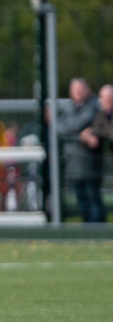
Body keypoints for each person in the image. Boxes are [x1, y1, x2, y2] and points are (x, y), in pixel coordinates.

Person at [56, 78, 103, 222]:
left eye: (80, 89)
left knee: (92, 197)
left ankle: (97, 230)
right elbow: (59, 128)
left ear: (86, 90)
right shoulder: (69, 107)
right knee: (81, 199)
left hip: (89, 162)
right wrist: (80, 134)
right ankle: (87, 229)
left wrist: (72, 130)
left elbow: (80, 123)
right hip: (73, 162)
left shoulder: (93, 105)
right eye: (75, 90)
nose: (78, 92)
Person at [78, 83, 113, 221]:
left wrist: (90, 132)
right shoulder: (99, 114)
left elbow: (107, 132)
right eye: (104, 97)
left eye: (109, 97)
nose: (107, 100)